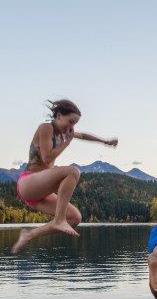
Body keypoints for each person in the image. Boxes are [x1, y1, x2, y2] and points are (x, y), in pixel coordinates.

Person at [11, 99, 118, 253]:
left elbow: (83, 135)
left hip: (41, 192)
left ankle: (29, 235)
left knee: (75, 218)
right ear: (59, 115)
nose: (71, 128)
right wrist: (66, 143)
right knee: (73, 171)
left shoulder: (64, 133)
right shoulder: (46, 128)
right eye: (70, 122)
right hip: (28, 183)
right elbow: (47, 157)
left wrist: (105, 142)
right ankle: (59, 220)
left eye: (74, 124)